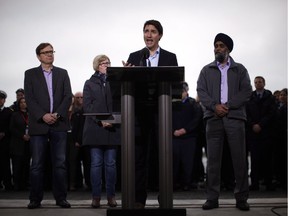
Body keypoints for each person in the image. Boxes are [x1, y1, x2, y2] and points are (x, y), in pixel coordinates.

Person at [122, 19, 178, 208]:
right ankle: (139, 199)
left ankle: (165, 197)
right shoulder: (135, 56)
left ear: (160, 35)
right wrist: (127, 74)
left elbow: (175, 86)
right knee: (139, 158)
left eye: (153, 31)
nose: (148, 34)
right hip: (138, 114)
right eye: (146, 31)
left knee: (162, 156)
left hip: (161, 113)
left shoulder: (170, 57)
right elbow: (128, 86)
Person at [196, 33, 252, 211]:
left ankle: (241, 198)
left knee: (239, 160)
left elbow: (246, 91)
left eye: (221, 45)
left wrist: (227, 106)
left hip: (235, 118)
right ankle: (212, 198)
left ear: (228, 48)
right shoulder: (206, 70)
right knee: (212, 161)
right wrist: (214, 107)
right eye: (216, 45)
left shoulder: (240, 69)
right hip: (213, 119)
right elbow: (201, 91)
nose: (217, 48)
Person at [24, 43, 73, 209]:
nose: (50, 55)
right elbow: (30, 99)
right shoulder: (30, 74)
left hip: (59, 124)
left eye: (51, 52)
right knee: (37, 164)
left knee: (60, 163)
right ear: (38, 56)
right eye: (46, 52)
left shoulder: (63, 73)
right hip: (39, 125)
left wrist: (57, 114)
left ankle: (61, 198)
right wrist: (43, 115)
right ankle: (35, 199)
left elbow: (68, 96)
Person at [82, 55, 120, 208]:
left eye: (109, 63)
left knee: (111, 164)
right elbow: (88, 105)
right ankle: (96, 197)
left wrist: (112, 121)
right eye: (104, 63)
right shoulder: (89, 83)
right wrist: (100, 121)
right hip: (95, 129)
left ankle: (111, 196)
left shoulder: (115, 82)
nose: (107, 65)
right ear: (97, 66)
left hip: (112, 129)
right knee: (96, 164)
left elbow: (118, 103)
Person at [246, 76, 277, 191]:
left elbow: (272, 113)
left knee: (267, 159)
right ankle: (254, 184)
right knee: (254, 160)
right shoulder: (250, 97)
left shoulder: (270, 97)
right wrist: (253, 125)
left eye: (260, 82)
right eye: (256, 82)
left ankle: (268, 183)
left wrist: (261, 125)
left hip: (266, 133)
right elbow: (246, 113)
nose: (257, 84)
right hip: (253, 133)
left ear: (264, 83)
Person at [172, 81, 202, 191]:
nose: (181, 93)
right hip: (174, 137)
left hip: (189, 137)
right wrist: (172, 131)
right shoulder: (172, 104)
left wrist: (185, 130)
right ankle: (174, 183)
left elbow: (197, 119)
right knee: (174, 162)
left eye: (182, 91)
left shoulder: (193, 103)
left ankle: (187, 183)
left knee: (188, 162)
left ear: (187, 91)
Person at [70, 91, 91, 191]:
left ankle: (89, 183)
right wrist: (76, 140)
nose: (80, 99)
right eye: (77, 97)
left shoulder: (87, 109)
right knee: (74, 163)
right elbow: (74, 128)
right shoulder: (72, 111)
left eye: (82, 97)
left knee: (88, 163)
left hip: (87, 140)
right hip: (76, 141)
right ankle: (76, 183)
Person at [9, 97, 31, 191]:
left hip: (28, 143)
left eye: (25, 102)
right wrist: (22, 135)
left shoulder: (31, 114)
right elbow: (11, 128)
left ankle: (25, 184)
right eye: (21, 102)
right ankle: (17, 184)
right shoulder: (15, 115)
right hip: (18, 143)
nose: (23, 104)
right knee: (17, 165)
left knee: (26, 164)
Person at [0, 90, 13, 190]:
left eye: (1, 99)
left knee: (5, 163)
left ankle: (7, 183)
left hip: (5, 142)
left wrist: (5, 133)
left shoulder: (9, 112)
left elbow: (11, 126)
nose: (0, 100)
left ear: (4, 100)